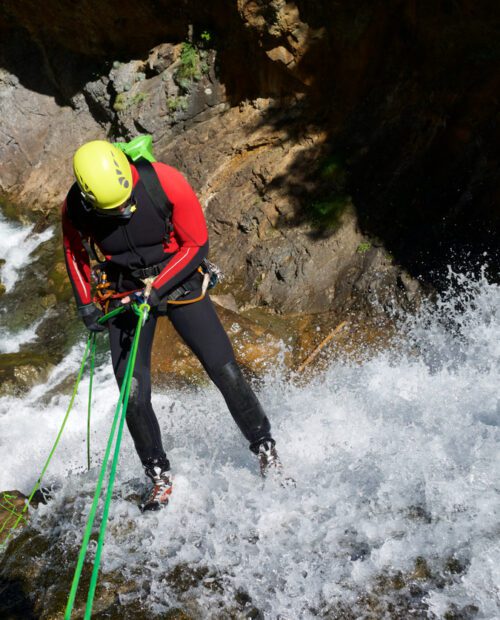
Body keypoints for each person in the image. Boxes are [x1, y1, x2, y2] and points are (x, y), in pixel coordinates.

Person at [62, 139, 280, 512]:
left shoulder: (164, 181)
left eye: (126, 202)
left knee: (224, 371)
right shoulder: (76, 208)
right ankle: (158, 475)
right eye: (113, 210)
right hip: (124, 290)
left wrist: (158, 288)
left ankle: (266, 450)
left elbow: (196, 244)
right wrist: (86, 304)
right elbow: (74, 252)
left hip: (178, 279)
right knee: (132, 394)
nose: (124, 212)